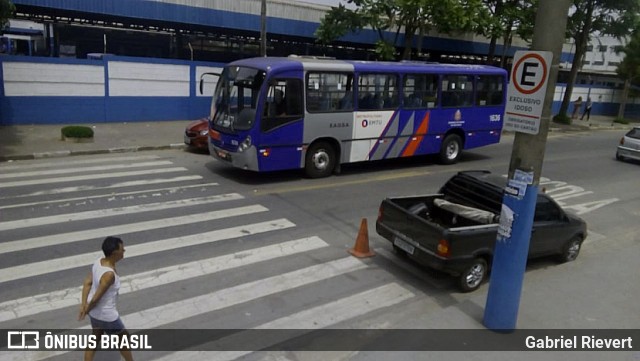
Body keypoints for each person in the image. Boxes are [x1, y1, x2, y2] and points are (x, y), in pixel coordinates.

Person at [78, 236, 134, 361]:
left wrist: (84, 305)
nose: (124, 251)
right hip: (107, 315)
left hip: (95, 314)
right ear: (114, 253)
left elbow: (87, 282)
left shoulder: (98, 262)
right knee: (124, 339)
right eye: (122, 249)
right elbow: (96, 298)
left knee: (95, 338)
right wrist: (86, 309)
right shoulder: (109, 275)